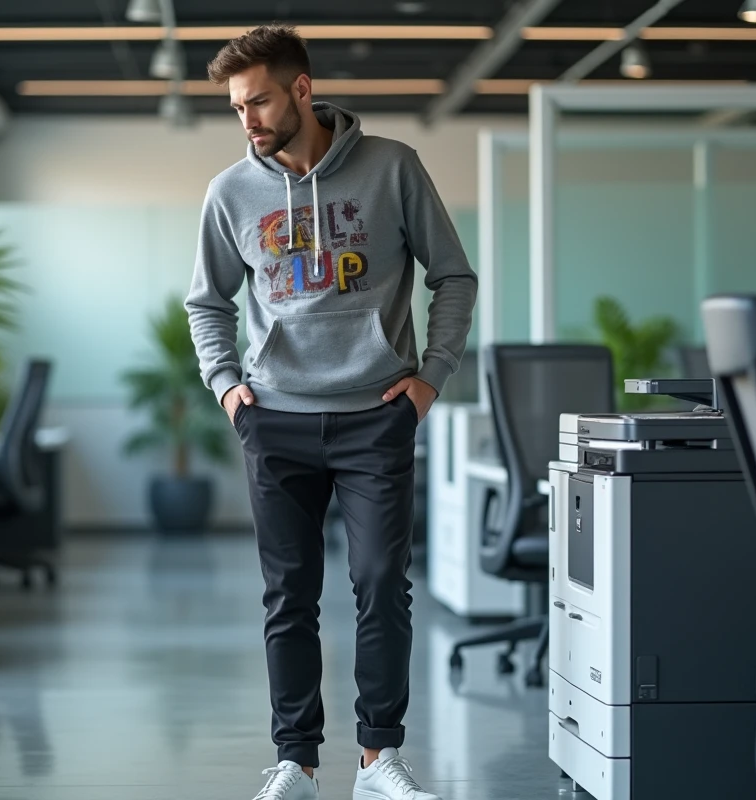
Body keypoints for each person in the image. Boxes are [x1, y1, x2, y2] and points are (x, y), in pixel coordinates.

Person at [185, 23, 477, 800]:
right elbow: (206, 302)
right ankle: (298, 763)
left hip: (376, 414)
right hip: (273, 418)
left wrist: (431, 379)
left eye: (258, 102)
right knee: (289, 595)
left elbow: (453, 276)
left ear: (303, 90)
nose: (246, 120)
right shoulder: (230, 193)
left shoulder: (392, 168)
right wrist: (227, 387)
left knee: (382, 583)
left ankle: (379, 761)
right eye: (236, 107)